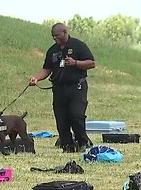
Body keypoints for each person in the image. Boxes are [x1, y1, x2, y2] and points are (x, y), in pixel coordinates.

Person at [29, 23, 95, 153]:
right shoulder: (52, 50)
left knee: (76, 115)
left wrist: (75, 63)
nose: (55, 38)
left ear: (65, 32)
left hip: (77, 87)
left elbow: (91, 63)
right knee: (61, 118)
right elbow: (47, 69)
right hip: (59, 88)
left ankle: (83, 142)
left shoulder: (78, 45)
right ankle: (67, 145)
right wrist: (36, 78)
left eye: (57, 35)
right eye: (53, 36)